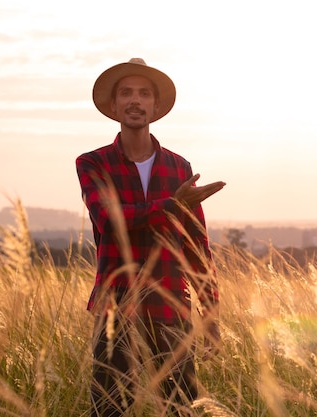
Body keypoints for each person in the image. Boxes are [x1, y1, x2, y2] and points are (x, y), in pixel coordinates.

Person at [76, 58, 225, 416]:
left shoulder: (179, 168)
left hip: (170, 304)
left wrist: (210, 309)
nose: (135, 101)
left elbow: (196, 246)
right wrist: (173, 205)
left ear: (156, 107)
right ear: (113, 106)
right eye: (126, 93)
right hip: (115, 305)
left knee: (179, 409)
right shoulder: (92, 163)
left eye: (144, 94)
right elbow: (110, 219)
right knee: (110, 410)